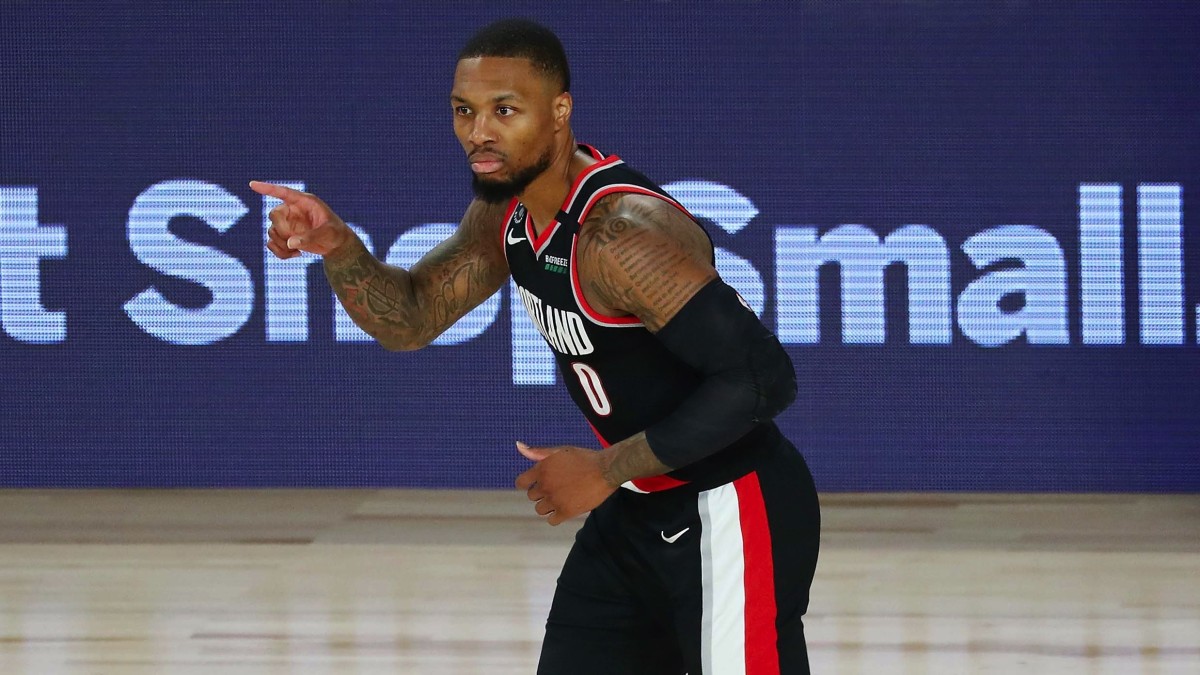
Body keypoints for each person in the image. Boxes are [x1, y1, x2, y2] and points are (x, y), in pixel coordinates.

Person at [252, 18, 820, 675]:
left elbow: (762, 379)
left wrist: (605, 468)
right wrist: (339, 247)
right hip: (634, 508)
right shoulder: (509, 212)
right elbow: (410, 318)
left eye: (504, 111)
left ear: (559, 112)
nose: (479, 133)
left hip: (729, 505)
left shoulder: (620, 236)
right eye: (464, 112)